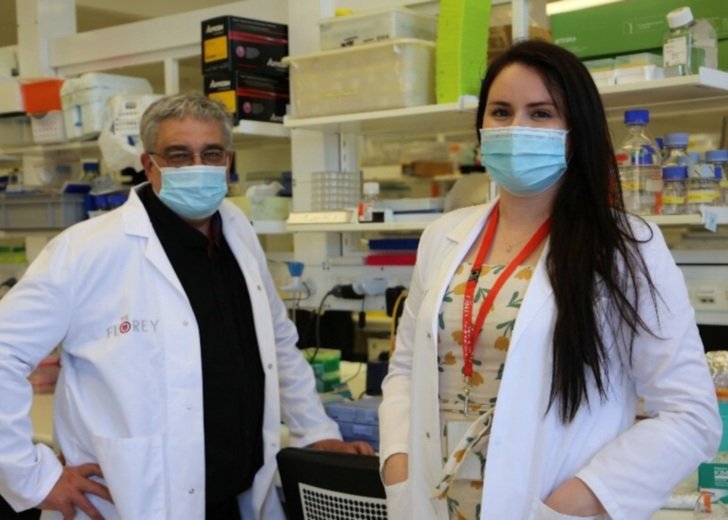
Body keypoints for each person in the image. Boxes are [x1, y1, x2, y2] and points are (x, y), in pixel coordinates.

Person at [378, 39, 721, 520]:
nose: (516, 128)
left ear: (575, 132)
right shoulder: (443, 236)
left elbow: (690, 414)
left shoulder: (626, 246)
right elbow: (406, 371)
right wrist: (399, 465)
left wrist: (574, 504)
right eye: (501, 112)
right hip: (433, 502)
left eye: (540, 114)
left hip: (546, 507)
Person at [0, 91, 372, 520]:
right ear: (149, 164)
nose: (197, 167)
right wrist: (33, 478)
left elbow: (278, 346)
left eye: (210, 153)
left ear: (228, 162)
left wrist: (315, 432)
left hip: (239, 496)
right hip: (132, 500)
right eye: (178, 155)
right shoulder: (87, 250)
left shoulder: (238, 232)